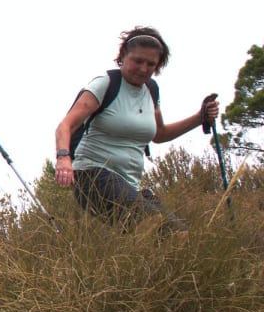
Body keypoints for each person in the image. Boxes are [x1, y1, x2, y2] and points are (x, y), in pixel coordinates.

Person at [53, 27, 219, 231]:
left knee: (179, 235)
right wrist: (63, 158)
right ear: (123, 57)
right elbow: (66, 125)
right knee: (151, 224)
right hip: (92, 176)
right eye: (138, 61)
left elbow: (160, 134)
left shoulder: (151, 90)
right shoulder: (106, 83)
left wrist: (199, 117)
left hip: (129, 183)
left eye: (151, 64)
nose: (143, 69)